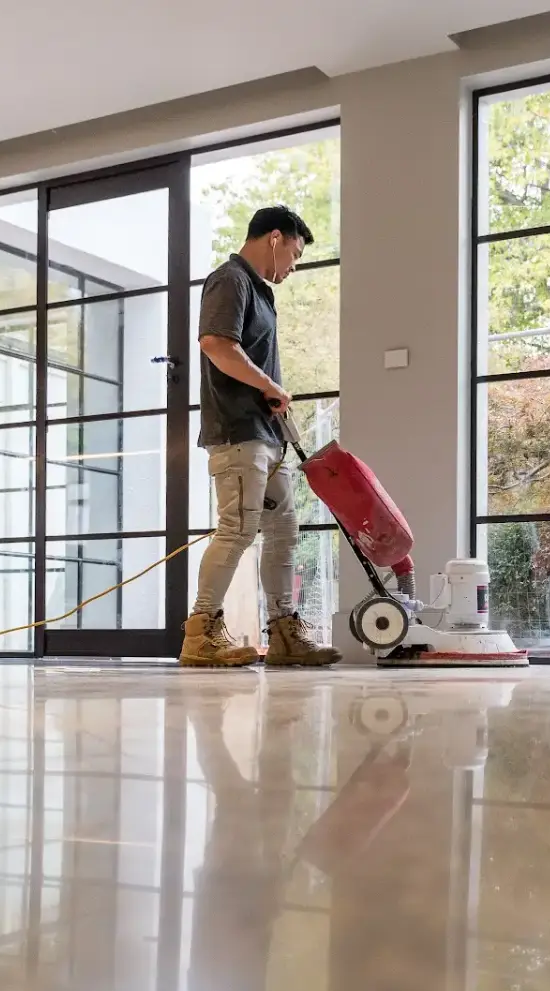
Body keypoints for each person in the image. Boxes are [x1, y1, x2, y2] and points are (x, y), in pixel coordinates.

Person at [180, 205, 341, 668]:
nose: (293, 264)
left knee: (284, 530)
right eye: (294, 252)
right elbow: (214, 344)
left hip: (268, 436)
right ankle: (201, 633)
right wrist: (269, 386)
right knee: (236, 530)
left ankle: (285, 631)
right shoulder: (229, 279)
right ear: (275, 237)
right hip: (237, 432)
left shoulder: (260, 292)